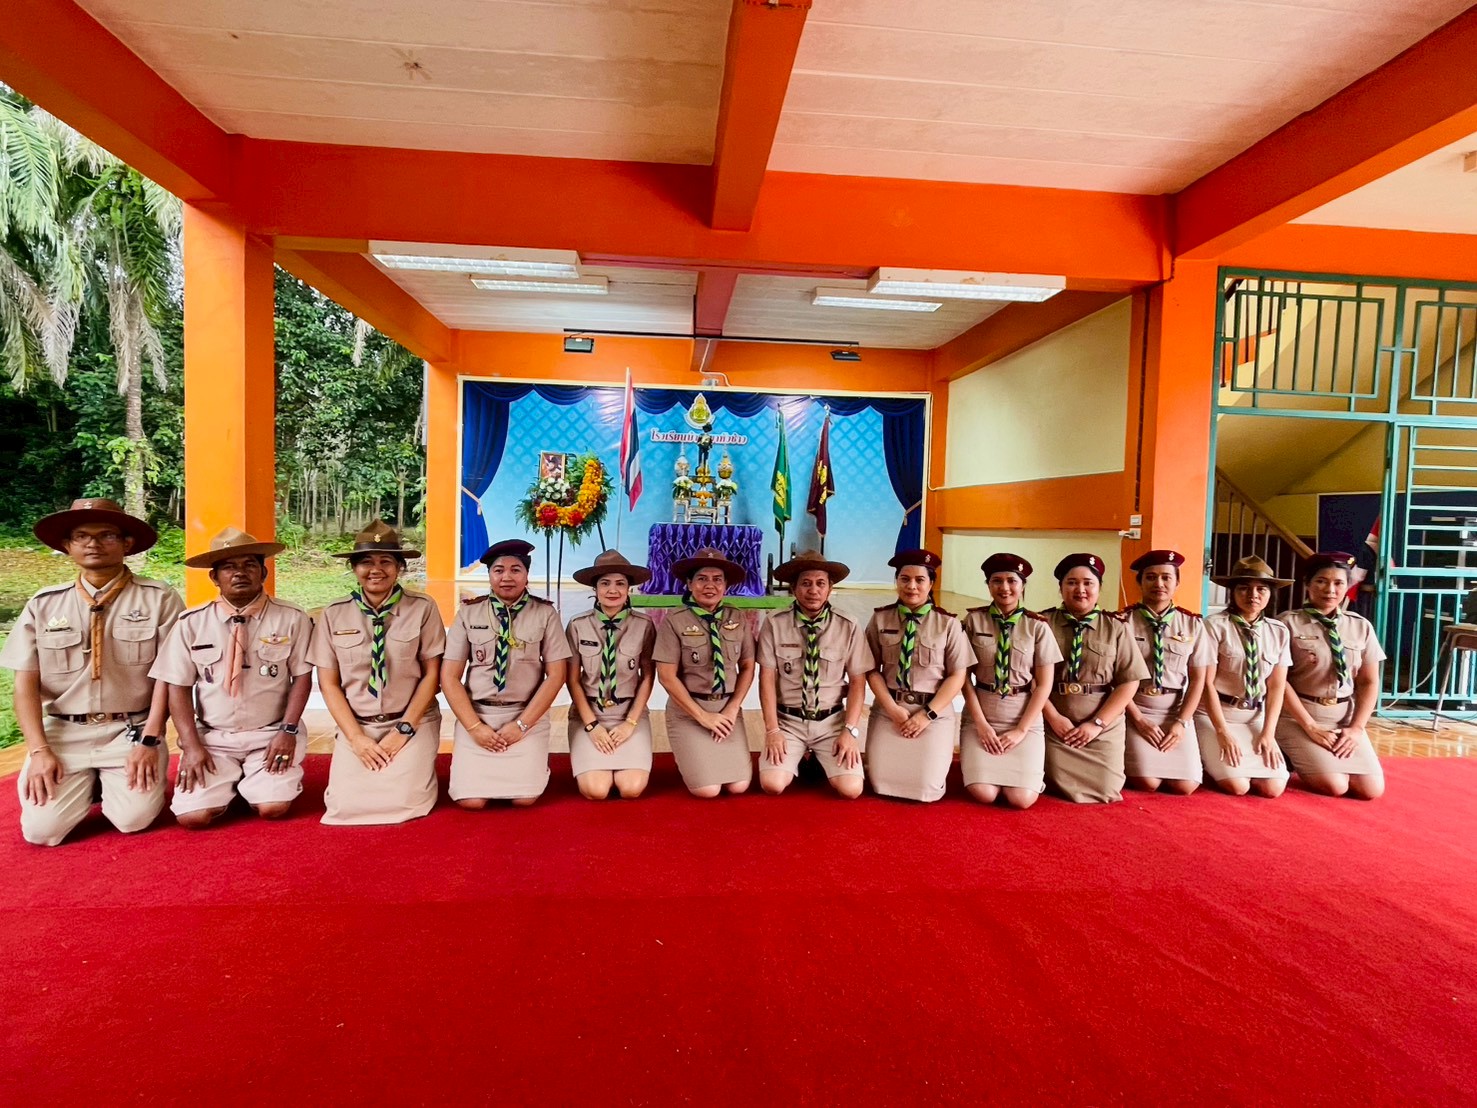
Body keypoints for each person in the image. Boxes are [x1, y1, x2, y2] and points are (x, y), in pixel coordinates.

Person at [0, 498, 181, 845]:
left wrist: (150, 739)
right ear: (67, 545)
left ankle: (105, 780)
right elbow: (24, 685)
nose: (93, 544)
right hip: (64, 733)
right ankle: (88, 780)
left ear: (127, 543)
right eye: (81, 536)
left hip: (130, 730)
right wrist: (38, 751)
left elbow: (169, 676)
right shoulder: (44, 604)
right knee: (42, 832)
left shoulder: (158, 598)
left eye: (107, 535)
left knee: (133, 820)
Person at [151, 528, 314, 827]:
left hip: (270, 733)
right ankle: (234, 783)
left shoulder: (292, 618)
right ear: (214, 577)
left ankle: (252, 783)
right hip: (214, 737)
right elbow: (178, 686)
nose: (239, 573)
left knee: (272, 807)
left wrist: (288, 731)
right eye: (228, 567)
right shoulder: (191, 623)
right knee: (192, 818)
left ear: (263, 572)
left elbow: (302, 678)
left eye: (249, 564)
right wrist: (191, 746)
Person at [309, 521, 445, 825]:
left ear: (399, 568)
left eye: (386, 561)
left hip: (412, 722)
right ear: (354, 568)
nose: (376, 570)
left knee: (407, 802)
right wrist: (356, 739)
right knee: (344, 805)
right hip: (358, 725)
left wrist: (403, 731)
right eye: (366, 562)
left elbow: (432, 676)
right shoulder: (334, 613)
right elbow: (329, 684)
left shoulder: (422, 608)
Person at [443, 538, 571, 808]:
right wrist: (475, 727)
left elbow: (556, 675)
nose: (507, 577)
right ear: (489, 575)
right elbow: (449, 677)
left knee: (525, 799)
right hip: (478, 715)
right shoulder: (468, 612)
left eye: (516, 570)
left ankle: (535, 764)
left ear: (527, 574)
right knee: (471, 801)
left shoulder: (545, 613)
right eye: (498, 570)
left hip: (525, 715)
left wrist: (522, 725)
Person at [757, 550, 872, 799]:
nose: (813, 590)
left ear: (830, 588)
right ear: (793, 588)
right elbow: (766, 679)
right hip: (788, 722)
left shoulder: (848, 625)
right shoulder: (774, 623)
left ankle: (820, 759)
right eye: (806, 583)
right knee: (772, 784)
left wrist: (850, 731)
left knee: (851, 790)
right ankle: (799, 757)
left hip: (831, 723)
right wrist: (772, 731)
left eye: (821, 583)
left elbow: (857, 682)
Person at [1276, 552, 1386, 799]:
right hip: (1298, 717)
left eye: (1338, 583)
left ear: (1347, 587)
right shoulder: (1287, 624)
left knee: (1371, 790)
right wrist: (1310, 726)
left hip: (1343, 719)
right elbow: (1278, 682)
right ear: (1307, 584)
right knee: (1335, 785)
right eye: (1321, 581)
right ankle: (1288, 752)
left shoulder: (1360, 626)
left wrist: (1356, 728)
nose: (1330, 590)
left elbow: (1369, 681)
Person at [864, 549, 970, 803]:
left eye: (920, 580)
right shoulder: (880, 618)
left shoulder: (948, 624)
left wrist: (926, 715)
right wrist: (891, 709)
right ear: (896, 581)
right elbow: (870, 669)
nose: (911, 586)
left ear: (931, 583)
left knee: (927, 786)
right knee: (879, 782)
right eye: (904, 579)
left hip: (933, 713)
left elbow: (957, 675)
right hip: (890, 710)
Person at [1041, 553, 1147, 804]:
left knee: (1107, 788)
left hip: (1102, 725)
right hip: (1054, 723)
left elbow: (1129, 681)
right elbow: (1032, 679)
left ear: (1099, 587)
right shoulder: (1042, 623)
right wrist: (1053, 718)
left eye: (1088, 583)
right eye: (1072, 583)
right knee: (1048, 781)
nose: (1080, 590)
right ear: (1060, 588)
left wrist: (1097, 724)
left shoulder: (1116, 627)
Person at [958, 553, 1061, 808]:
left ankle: (1029, 776)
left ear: (1023, 585)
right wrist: (980, 724)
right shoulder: (973, 621)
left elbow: (1044, 684)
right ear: (988, 585)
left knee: (1021, 799)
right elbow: (964, 678)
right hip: (982, 714)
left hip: (1023, 716)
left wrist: (1021, 730)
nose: (1004, 588)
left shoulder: (1037, 626)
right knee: (984, 793)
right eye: (997, 581)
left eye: (1012, 581)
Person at [653, 547, 755, 798]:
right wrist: (702, 717)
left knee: (738, 786)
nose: (710, 585)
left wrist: (732, 709)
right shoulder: (674, 620)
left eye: (717, 579)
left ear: (726, 585)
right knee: (708, 790)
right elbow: (666, 676)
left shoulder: (737, 617)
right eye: (701, 579)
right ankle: (693, 758)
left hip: (727, 710)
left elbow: (748, 666)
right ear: (689, 584)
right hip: (689, 711)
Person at [1196, 555, 1293, 798]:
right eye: (1244, 588)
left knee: (1273, 788)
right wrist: (1222, 732)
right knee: (1238, 786)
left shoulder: (1278, 631)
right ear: (1232, 592)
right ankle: (1205, 757)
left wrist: (1268, 732)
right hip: (1215, 715)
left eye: (1261, 589)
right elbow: (1206, 683)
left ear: (1270, 594)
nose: (1253, 595)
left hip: (1254, 717)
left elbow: (1277, 686)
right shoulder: (1214, 625)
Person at [564, 550, 657, 800]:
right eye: (605, 583)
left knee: (631, 788)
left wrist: (630, 723)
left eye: (620, 583)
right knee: (596, 790)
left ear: (629, 589)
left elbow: (648, 676)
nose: (612, 590)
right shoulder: (577, 625)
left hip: (629, 713)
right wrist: (591, 726)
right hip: (589, 713)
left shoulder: (644, 625)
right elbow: (572, 680)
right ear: (594, 589)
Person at [1121, 550, 1214, 795]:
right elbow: (1114, 679)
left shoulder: (1193, 624)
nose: (1159, 584)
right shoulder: (1122, 622)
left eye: (1166, 577)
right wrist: (1138, 720)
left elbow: (1198, 680)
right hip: (1135, 708)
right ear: (1140, 582)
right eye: (1151, 577)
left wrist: (1181, 722)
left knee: (1186, 786)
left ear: (1177, 582)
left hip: (1175, 711)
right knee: (1148, 782)